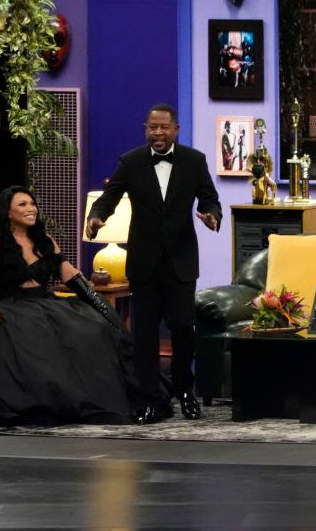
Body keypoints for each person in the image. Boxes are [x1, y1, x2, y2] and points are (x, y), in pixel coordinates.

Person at [0, 186, 141, 425]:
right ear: (7, 212)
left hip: (46, 301)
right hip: (12, 305)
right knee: (36, 333)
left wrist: (98, 302)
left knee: (93, 328)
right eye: (23, 205)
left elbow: (72, 276)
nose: (31, 209)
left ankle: (96, 397)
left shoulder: (44, 241)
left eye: (32, 203)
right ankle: (49, 404)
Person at [86, 103, 222, 424]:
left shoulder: (194, 161)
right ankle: (150, 399)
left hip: (181, 263)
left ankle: (185, 391)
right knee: (144, 336)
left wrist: (211, 216)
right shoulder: (130, 162)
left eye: (163, 127)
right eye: (152, 127)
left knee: (182, 329)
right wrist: (96, 217)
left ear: (176, 129)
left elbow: (210, 197)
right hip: (144, 264)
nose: (157, 133)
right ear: (145, 130)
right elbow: (110, 197)